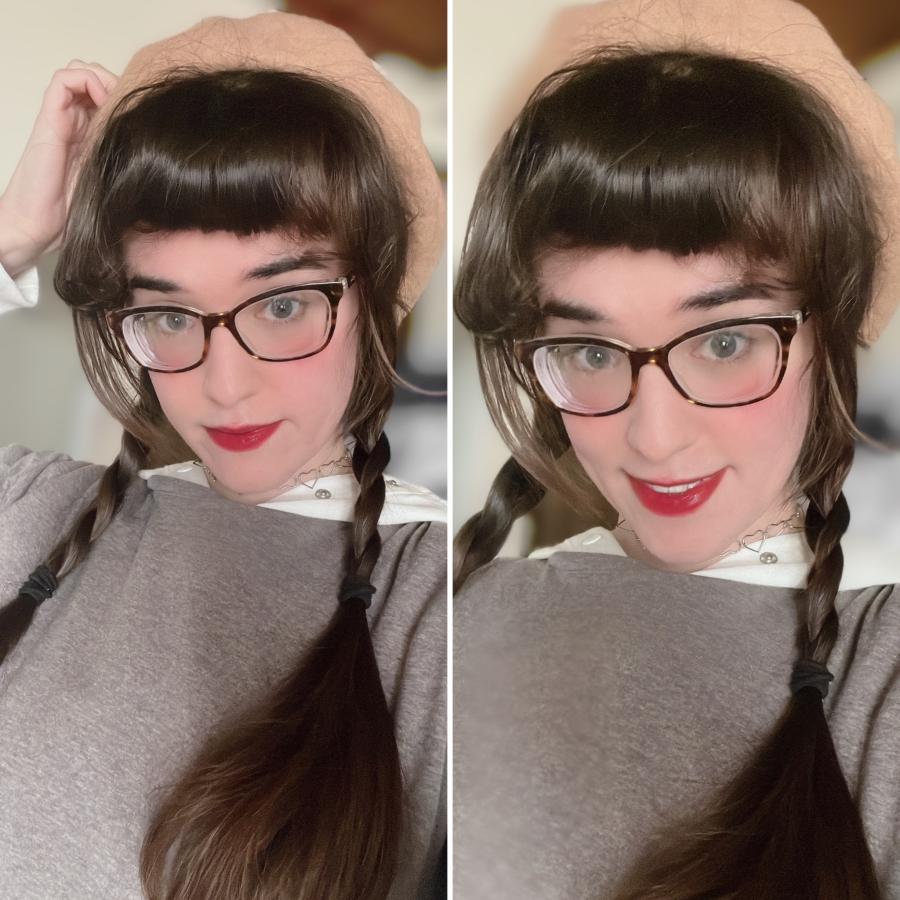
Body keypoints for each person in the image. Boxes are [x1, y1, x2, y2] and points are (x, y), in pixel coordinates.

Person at [453, 0, 900, 897]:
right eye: (590, 351)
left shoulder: (880, 673)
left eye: (725, 341)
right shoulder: (448, 630)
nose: (655, 438)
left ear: (833, 332)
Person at [0, 14, 446, 900]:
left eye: (282, 305)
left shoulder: (438, 599)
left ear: (374, 299)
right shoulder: (33, 508)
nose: (225, 385)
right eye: (170, 316)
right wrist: (10, 237)